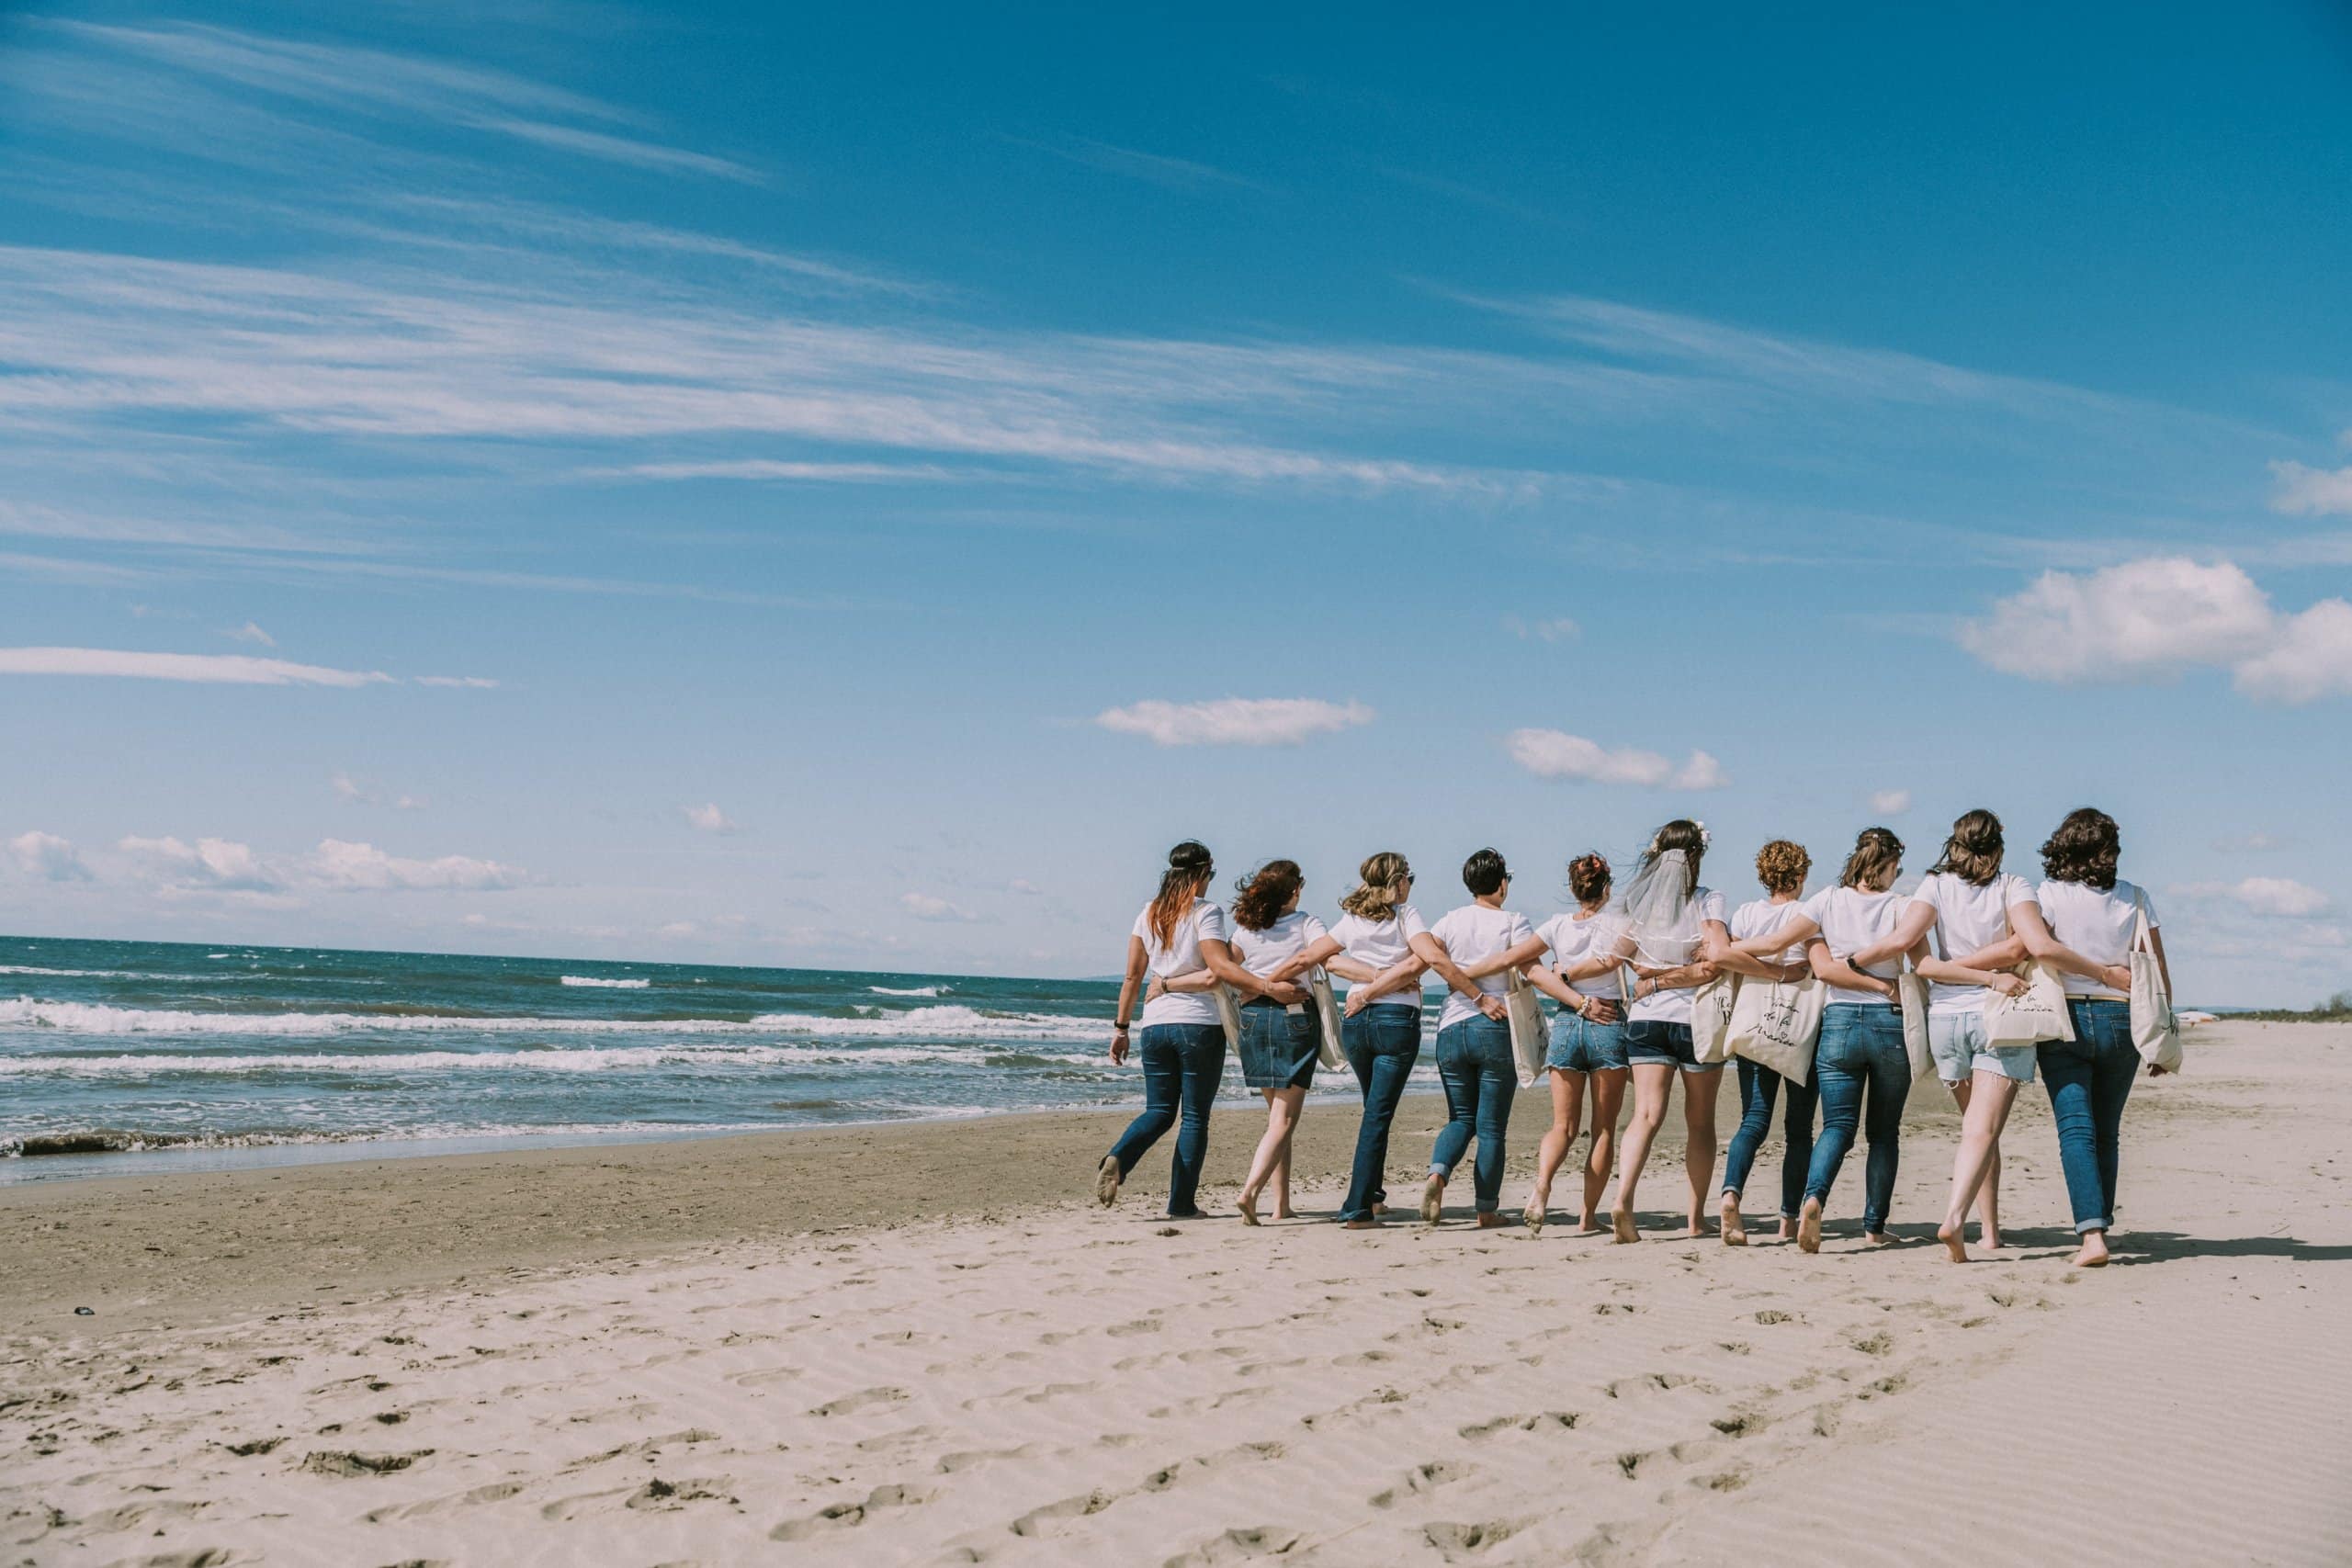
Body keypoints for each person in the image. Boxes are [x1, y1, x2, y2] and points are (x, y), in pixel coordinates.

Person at [1846, 809, 2047, 1261]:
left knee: (1979, 1130)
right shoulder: (2014, 885)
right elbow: (2021, 947)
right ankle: (1955, 1219)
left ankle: (1990, 1232)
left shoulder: (1933, 886)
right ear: (1998, 846)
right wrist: (1990, 974)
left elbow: (1909, 948)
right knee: (1982, 1130)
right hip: (1997, 1018)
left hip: (1946, 1022)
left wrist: (1861, 960)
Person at [1732, 827, 1911, 1252]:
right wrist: (1888, 989)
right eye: (1896, 868)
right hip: (1889, 1021)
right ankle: (1873, 1228)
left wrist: (1731, 947)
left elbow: (1784, 946)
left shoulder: (1827, 900)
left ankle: (1813, 1198)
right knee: (1883, 1133)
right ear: (1885, 866)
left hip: (1838, 1023)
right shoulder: (1903, 907)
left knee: (1836, 1126)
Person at [2020, 807, 2173, 1269]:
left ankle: (2091, 1235)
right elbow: (2158, 971)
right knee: (2106, 1132)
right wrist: (2161, 1035)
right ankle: (2100, 1223)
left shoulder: (2047, 895)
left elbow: (2032, 949)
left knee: (2076, 1130)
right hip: (2121, 1021)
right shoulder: (2135, 898)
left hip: (2063, 1019)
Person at [1346, 849, 1532, 1226]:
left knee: (1461, 1117)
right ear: (1503, 884)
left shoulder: (1448, 921)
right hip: (1493, 1023)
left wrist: (1371, 987)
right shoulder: (1514, 922)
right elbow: (1527, 970)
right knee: (1492, 1126)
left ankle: (1438, 1174)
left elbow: (1425, 962)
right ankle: (1486, 1210)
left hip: (1450, 1027)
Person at [1099, 841, 1272, 1218]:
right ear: (1201, 872)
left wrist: (1121, 1028)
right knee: (1194, 1117)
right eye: (1210, 875)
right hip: (1198, 1025)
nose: (1211, 883)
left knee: (1159, 1110)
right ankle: (1181, 1204)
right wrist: (1264, 985)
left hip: (1155, 1025)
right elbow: (1217, 971)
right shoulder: (1206, 912)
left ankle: (1119, 1156)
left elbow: (1133, 976)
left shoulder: (1147, 913)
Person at [1149, 859, 1318, 1224]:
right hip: (1294, 1019)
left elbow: (1216, 973)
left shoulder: (1244, 932)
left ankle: (1281, 1205)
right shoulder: (1307, 923)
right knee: (1284, 1120)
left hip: (1254, 1022)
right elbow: (1320, 955)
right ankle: (1249, 1193)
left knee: (1276, 1118)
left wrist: (1166, 984)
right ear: (1294, 890)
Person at [1601, 819, 1730, 1242]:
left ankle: (1623, 1199)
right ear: (1696, 857)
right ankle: (1695, 1220)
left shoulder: (1639, 906)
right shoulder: (1708, 902)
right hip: (1695, 1021)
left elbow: (1617, 957)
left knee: (1645, 1115)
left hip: (1646, 1020)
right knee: (1701, 1123)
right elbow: (1713, 965)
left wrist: (1652, 975)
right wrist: (1686, 969)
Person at [1490, 852, 1629, 1235]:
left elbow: (1518, 960)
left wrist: (1466, 972)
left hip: (1568, 1021)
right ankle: (1588, 1218)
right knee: (1603, 1130)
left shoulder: (1555, 926)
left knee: (1562, 1126)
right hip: (1607, 1020)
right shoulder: (1620, 924)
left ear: (1573, 889)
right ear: (1607, 886)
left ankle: (1542, 1186)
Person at [1317, 852, 1435, 1229]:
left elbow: (1329, 960)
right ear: (1398, 881)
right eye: (1409, 877)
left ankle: (1372, 1195)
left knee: (1374, 1110)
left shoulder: (1352, 920)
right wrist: (1387, 977)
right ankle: (1356, 1207)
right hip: (1394, 1020)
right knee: (1377, 1116)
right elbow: (1420, 961)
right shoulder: (1406, 914)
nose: (1411, 884)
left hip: (1357, 1022)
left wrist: (1368, 981)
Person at [1713, 840, 1821, 1246]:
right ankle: (1788, 1221)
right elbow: (1811, 964)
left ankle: (1730, 1193)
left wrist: (1761, 970)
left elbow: (1725, 957)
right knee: (1798, 1128)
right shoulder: (1806, 914)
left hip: (1754, 1021)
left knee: (1754, 1119)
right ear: (1802, 874)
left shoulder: (1744, 914)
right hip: (1799, 1027)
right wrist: (1783, 973)